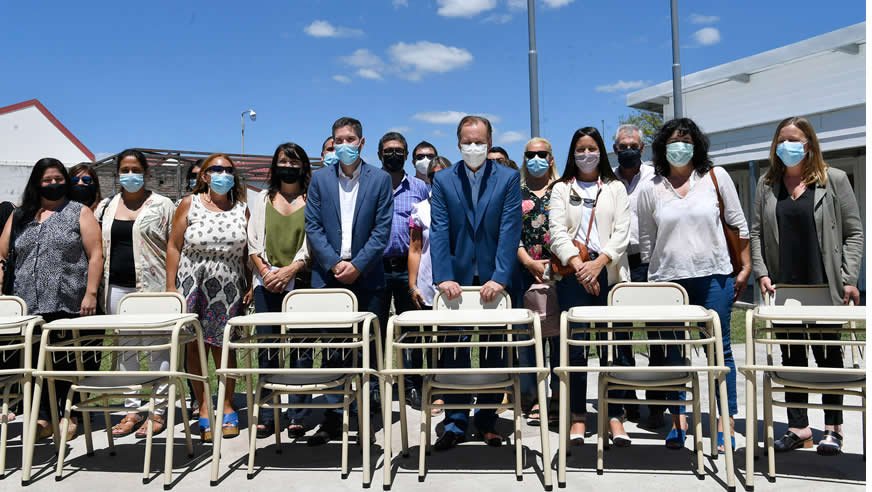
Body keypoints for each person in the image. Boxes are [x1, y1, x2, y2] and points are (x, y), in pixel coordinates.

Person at [750, 116, 863, 455]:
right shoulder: (767, 184)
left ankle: (833, 428)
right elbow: (756, 232)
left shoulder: (834, 180)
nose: (788, 145)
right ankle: (799, 428)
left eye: (795, 139)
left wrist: (849, 277)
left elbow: (854, 232)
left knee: (828, 357)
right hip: (784, 287)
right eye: (782, 139)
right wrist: (761, 271)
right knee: (791, 359)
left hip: (824, 284)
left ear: (810, 144)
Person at [637, 117, 751, 452]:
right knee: (673, 354)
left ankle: (724, 423)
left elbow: (738, 223)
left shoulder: (715, 177)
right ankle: (679, 422)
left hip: (713, 276)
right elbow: (647, 239)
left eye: (685, 140)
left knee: (718, 351)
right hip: (667, 283)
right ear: (662, 148)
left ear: (696, 145)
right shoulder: (651, 186)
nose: (679, 147)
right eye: (672, 141)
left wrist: (744, 267)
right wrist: (653, 277)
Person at [429, 115, 522, 450]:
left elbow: (511, 229)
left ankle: (486, 420)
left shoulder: (509, 178)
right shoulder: (442, 180)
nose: (473, 147)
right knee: (453, 350)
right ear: (458, 143)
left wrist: (500, 276)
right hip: (455, 278)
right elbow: (439, 230)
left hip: (493, 279)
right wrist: (443, 276)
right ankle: (454, 422)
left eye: (479, 141)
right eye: (467, 142)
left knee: (494, 351)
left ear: (489, 139)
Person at [304, 116, 393, 446]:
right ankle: (332, 417)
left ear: (362, 142)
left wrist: (356, 265)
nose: (344, 145)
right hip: (328, 278)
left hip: (368, 277)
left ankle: (366, 420)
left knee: (368, 352)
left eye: (350, 139)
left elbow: (382, 229)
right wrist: (334, 263)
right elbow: (312, 226)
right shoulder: (319, 180)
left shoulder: (380, 179)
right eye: (338, 140)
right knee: (333, 351)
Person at [0, 158, 102, 442]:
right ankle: (44, 417)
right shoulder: (20, 215)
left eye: (59, 178)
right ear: (37, 183)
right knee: (34, 363)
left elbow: (95, 255)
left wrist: (91, 292)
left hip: (68, 300)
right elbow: (3, 254)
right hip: (27, 303)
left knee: (64, 361)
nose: (54, 184)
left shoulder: (79, 212)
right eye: (48, 180)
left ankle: (69, 415)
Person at [548, 127, 632, 446]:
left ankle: (613, 415)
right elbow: (556, 232)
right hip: (573, 274)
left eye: (592, 148)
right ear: (573, 154)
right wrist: (579, 265)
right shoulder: (561, 189)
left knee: (614, 347)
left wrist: (599, 264)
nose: (586, 154)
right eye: (580, 149)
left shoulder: (615, 188)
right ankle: (578, 417)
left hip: (609, 274)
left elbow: (622, 231)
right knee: (577, 350)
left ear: (601, 152)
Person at [90, 149, 177, 438]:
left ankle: (158, 410)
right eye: (124, 170)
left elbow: (175, 247)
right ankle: (131, 410)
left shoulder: (163, 205)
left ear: (146, 173)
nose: (130, 175)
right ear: (117, 174)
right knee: (126, 349)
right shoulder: (107, 206)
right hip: (116, 288)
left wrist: (171, 286)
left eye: (135, 169)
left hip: (152, 289)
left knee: (156, 350)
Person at [167, 153, 251, 441]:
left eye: (228, 170)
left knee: (226, 348)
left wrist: (250, 283)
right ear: (204, 175)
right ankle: (203, 406)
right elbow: (174, 247)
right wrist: (170, 287)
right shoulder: (189, 204)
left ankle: (227, 404)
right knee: (195, 348)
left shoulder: (242, 209)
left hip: (230, 287)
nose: (222, 174)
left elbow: (247, 252)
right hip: (192, 283)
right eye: (216, 169)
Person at [248, 142, 313, 439]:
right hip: (266, 282)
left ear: (303, 166)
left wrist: (290, 270)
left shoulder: (313, 199)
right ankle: (267, 412)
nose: (288, 166)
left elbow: (312, 242)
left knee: (301, 349)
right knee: (268, 349)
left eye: (294, 161)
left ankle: (299, 412)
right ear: (274, 166)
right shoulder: (261, 199)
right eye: (283, 161)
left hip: (300, 282)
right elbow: (252, 242)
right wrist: (265, 271)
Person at [376, 132, 429, 410]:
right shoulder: (372, 185)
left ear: (406, 155)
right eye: (388, 151)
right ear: (379, 155)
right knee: (375, 331)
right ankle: (375, 388)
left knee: (411, 332)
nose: (393, 155)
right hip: (376, 269)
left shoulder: (419, 188)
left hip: (409, 270)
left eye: (398, 151)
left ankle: (413, 385)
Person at [515, 137, 560, 426]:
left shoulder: (563, 189)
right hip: (523, 271)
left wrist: (555, 263)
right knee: (528, 339)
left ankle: (558, 397)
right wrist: (528, 262)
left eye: (542, 154)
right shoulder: (515, 191)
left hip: (558, 271)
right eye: (531, 154)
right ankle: (532, 397)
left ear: (551, 158)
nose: (536, 159)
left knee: (557, 336)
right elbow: (509, 232)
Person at [613, 124, 655, 425]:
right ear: (615, 149)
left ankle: (658, 404)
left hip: (651, 262)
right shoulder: (607, 180)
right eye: (622, 146)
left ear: (642, 148)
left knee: (657, 334)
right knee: (621, 334)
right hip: (619, 263)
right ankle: (627, 402)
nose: (628, 149)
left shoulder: (656, 177)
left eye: (633, 145)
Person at [407, 156, 451, 416]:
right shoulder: (420, 209)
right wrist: (412, 285)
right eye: (434, 177)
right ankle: (429, 389)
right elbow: (414, 248)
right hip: (426, 282)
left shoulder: (463, 206)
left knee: (448, 341)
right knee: (426, 341)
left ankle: (445, 391)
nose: (439, 181)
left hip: (453, 285)